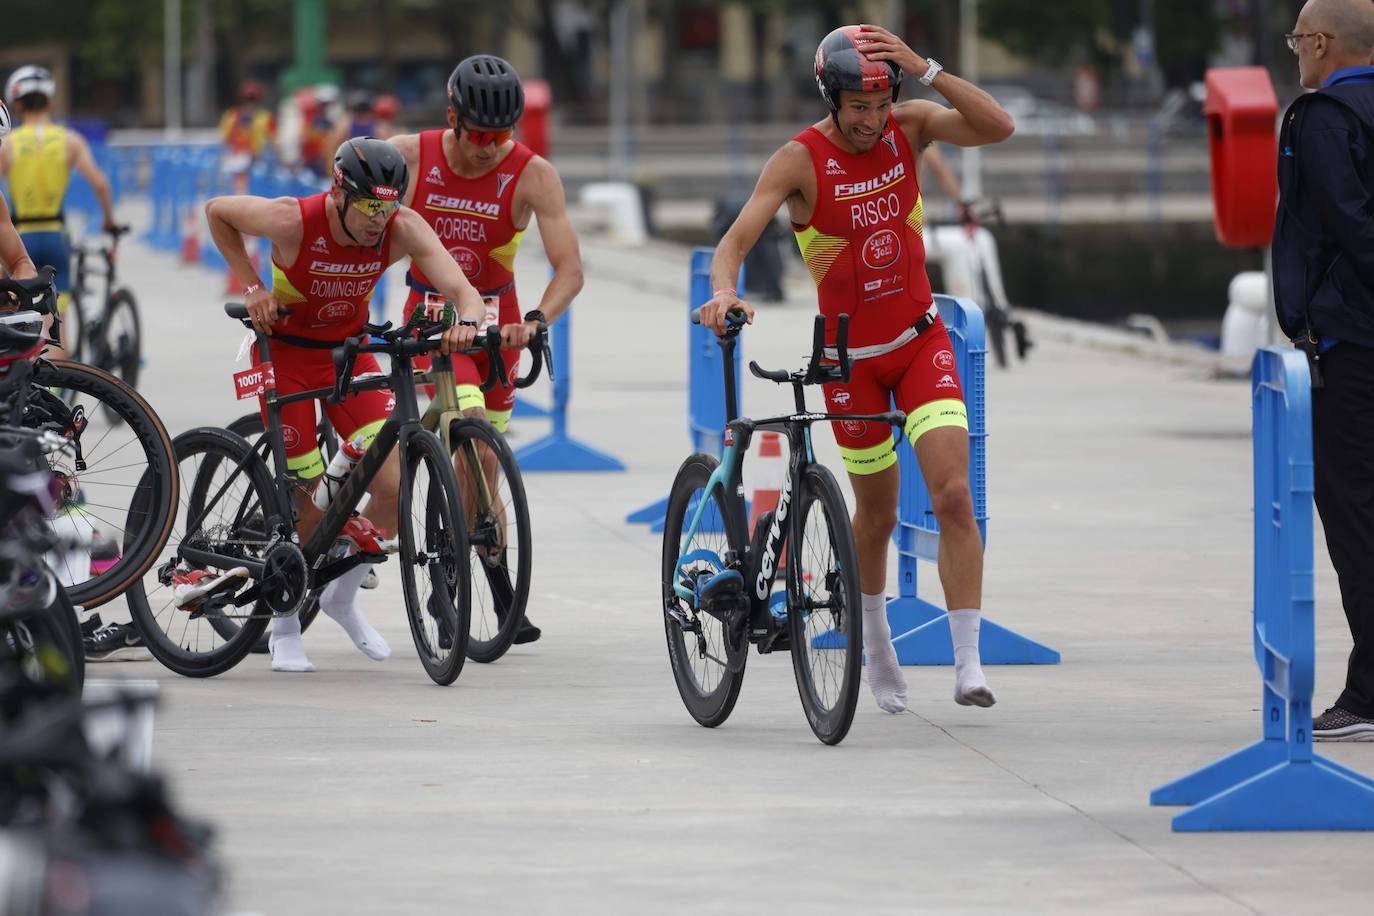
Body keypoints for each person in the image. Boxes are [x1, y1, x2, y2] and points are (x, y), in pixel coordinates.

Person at [700, 24, 1013, 714]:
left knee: (954, 495)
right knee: (873, 515)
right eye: (858, 107)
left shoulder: (911, 125)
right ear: (832, 98)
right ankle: (874, 643)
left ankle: (969, 663)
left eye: (880, 102)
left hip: (920, 342)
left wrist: (926, 68)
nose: (872, 120)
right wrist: (723, 293)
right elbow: (735, 243)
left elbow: (998, 126)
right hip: (851, 365)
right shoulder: (800, 161)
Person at [204, 138, 488, 673]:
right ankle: (285, 622)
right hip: (283, 354)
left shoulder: (400, 226)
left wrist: (469, 322)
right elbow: (217, 212)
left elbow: (461, 287)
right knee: (306, 498)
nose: (380, 220)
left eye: (389, 206)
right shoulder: (292, 221)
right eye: (370, 207)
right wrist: (253, 283)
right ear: (340, 193)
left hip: (348, 355)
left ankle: (338, 594)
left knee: (392, 485)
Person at [388, 54, 585, 646]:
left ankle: (492, 577)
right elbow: (345, 201)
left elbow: (570, 269)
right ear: (452, 116)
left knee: (487, 462)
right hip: (434, 315)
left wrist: (536, 319)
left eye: (501, 138)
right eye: (478, 135)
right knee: (470, 424)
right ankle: (451, 580)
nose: (488, 148)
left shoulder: (533, 174)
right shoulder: (410, 155)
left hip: (499, 324)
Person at [1272, 0, 1374, 741]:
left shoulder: (1324, 117)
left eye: (1299, 41)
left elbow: (1346, 223)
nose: (1295, 53)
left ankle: (1369, 697)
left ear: (1323, 42)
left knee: (1356, 517)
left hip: (1353, 344)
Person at [0, 65, 116, 357]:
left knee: (15, 315)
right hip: (55, 234)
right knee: (55, 324)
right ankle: (53, 393)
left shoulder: (9, 144)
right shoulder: (70, 140)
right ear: (50, 101)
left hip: (20, 232)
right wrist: (108, 220)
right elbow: (100, 183)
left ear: (17, 104)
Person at [0, 100, 39, 284]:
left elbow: (21, 263)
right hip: (54, 229)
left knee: (43, 300)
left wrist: (18, 293)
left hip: (26, 228)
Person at [219, 79, 277, 166]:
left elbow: (274, 144)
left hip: (258, 162)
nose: (250, 103)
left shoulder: (266, 117)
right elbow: (223, 141)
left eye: (253, 99)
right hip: (234, 161)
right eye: (247, 99)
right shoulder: (231, 116)